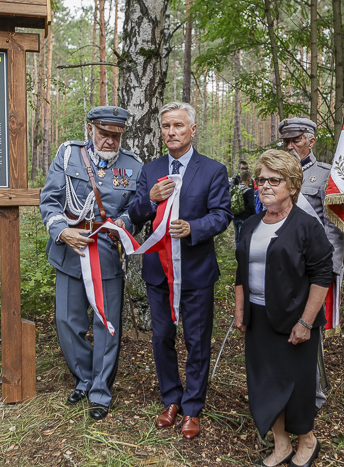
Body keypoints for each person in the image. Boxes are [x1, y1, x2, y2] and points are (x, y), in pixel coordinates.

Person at [129, 101, 232, 439]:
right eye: (166, 126)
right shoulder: (151, 170)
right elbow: (136, 214)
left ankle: (192, 407)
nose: (171, 132)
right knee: (162, 337)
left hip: (196, 271)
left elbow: (222, 215)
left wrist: (193, 228)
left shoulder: (213, 170)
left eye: (178, 125)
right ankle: (171, 399)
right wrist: (150, 198)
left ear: (192, 130)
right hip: (158, 272)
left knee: (197, 340)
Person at [40, 105, 142, 420]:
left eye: (116, 135)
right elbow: (50, 200)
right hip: (70, 252)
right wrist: (62, 232)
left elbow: (137, 208)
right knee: (67, 322)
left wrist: (126, 222)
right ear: (90, 129)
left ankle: (100, 391)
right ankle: (83, 378)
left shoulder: (134, 165)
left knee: (107, 326)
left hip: (107, 255)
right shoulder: (69, 154)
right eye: (104, 133)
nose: (110, 141)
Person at [235, 150, 332, 467]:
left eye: (274, 180)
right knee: (265, 385)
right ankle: (281, 445)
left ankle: (307, 441)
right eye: (261, 179)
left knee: (297, 388)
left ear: (292, 185)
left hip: (295, 321)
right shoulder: (251, 224)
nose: (264, 185)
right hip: (258, 319)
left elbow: (322, 276)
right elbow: (241, 272)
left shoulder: (307, 226)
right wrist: (240, 311)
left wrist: (306, 322)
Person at [279, 117, 344, 410]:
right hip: (282, 267)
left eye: (296, 140)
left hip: (311, 269)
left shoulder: (324, 176)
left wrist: (329, 268)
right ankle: (285, 389)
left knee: (310, 330)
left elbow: (333, 228)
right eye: (286, 141)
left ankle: (314, 392)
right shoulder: (276, 175)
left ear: (311, 140)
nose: (290, 146)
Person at [231, 170, 256, 247]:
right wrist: (254, 216)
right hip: (245, 218)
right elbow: (251, 205)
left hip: (235, 217)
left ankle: (238, 252)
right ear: (248, 179)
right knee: (244, 238)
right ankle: (244, 253)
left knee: (237, 239)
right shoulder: (249, 191)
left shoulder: (235, 189)